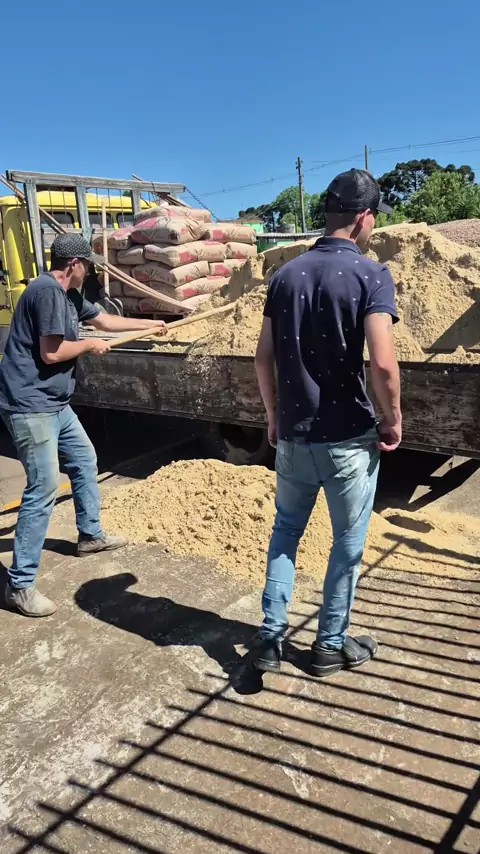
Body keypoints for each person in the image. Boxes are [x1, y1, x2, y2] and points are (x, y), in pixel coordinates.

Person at [253, 169, 401, 678]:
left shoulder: (284, 276)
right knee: (347, 544)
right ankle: (328, 646)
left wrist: (273, 417)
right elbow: (383, 364)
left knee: (285, 533)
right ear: (364, 217)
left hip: (294, 436)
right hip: (347, 438)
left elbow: (263, 357)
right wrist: (392, 419)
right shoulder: (371, 275)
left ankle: (269, 640)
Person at [0, 233, 168, 618]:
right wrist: (90, 345)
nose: (90, 271)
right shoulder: (46, 292)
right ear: (73, 264)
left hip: (55, 403)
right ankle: (19, 586)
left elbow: (104, 319)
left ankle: (90, 535)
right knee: (43, 486)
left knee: (83, 458)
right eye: (88, 265)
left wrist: (150, 323)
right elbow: (52, 352)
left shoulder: (70, 295)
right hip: (30, 405)